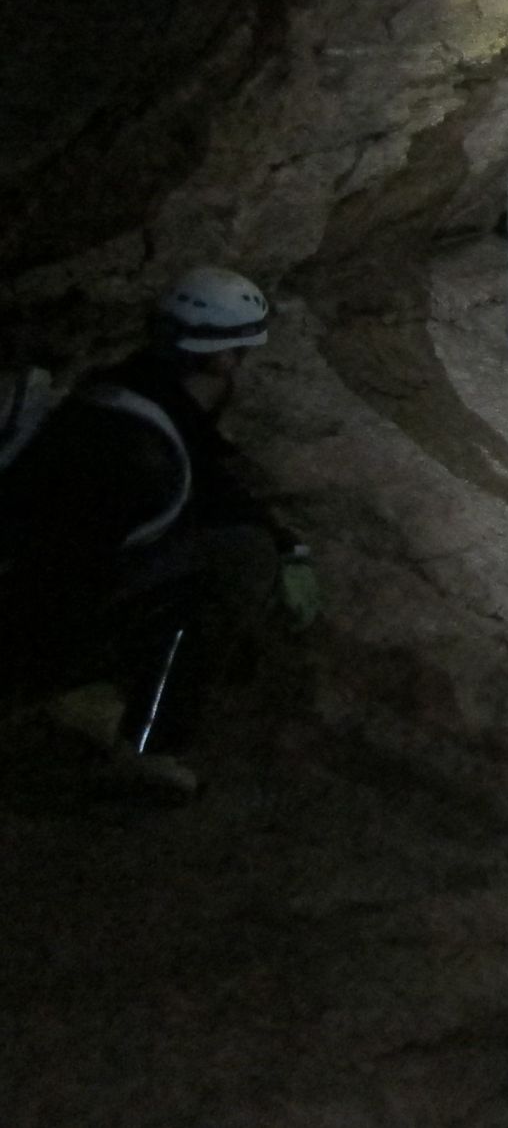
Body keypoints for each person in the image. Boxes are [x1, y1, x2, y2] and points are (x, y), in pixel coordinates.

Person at [0, 267, 313, 799]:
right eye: (240, 353)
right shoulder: (137, 455)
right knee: (236, 562)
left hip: (47, 587)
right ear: (223, 358)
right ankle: (141, 744)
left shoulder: (134, 392)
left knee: (243, 545)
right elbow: (56, 573)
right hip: (35, 622)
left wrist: (289, 543)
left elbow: (207, 476)